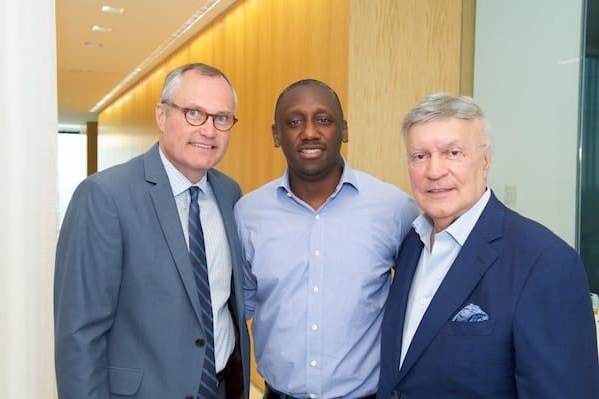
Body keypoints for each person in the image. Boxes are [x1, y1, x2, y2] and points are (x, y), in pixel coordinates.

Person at [378, 93, 599, 399]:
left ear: (485, 160)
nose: (434, 171)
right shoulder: (410, 244)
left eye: (453, 152)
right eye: (420, 156)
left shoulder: (545, 262)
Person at [54, 63, 250, 399]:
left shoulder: (231, 194)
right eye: (194, 113)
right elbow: (79, 335)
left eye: (221, 118)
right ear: (161, 115)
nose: (209, 130)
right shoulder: (104, 196)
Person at [234, 79, 419, 399]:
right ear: (276, 135)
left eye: (323, 120)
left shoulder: (394, 208)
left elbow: (420, 303)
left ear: (344, 130)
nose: (309, 132)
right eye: (294, 122)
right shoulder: (248, 213)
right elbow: (236, 312)